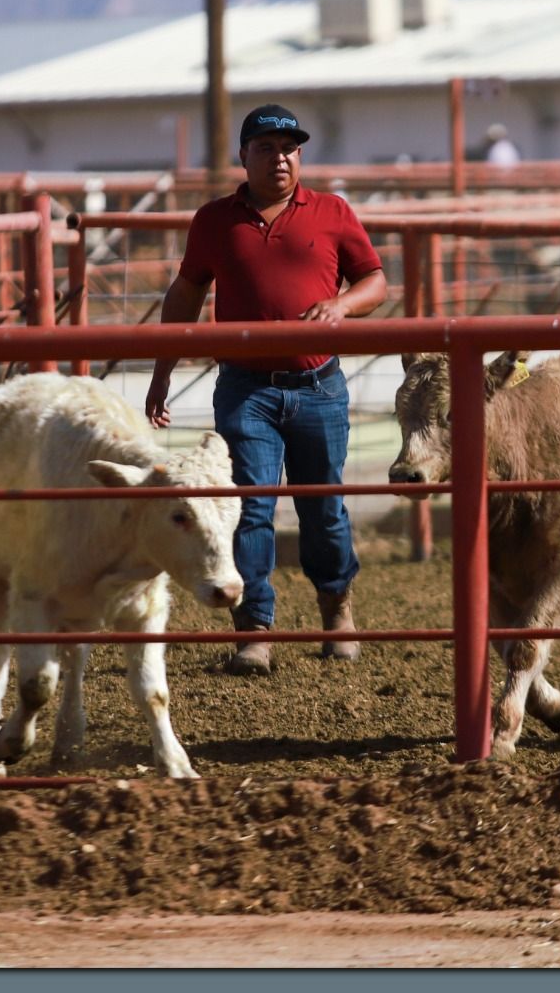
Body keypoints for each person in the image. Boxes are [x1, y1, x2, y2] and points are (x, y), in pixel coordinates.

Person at [145, 104, 388, 676]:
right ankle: (254, 629)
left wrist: (341, 305)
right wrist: (162, 370)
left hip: (318, 384)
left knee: (324, 508)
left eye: (289, 148)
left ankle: (337, 613)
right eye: (266, 148)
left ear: (299, 156)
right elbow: (185, 295)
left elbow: (374, 280)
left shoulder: (332, 211)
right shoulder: (213, 220)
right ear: (243, 156)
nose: (279, 158)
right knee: (251, 507)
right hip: (246, 388)